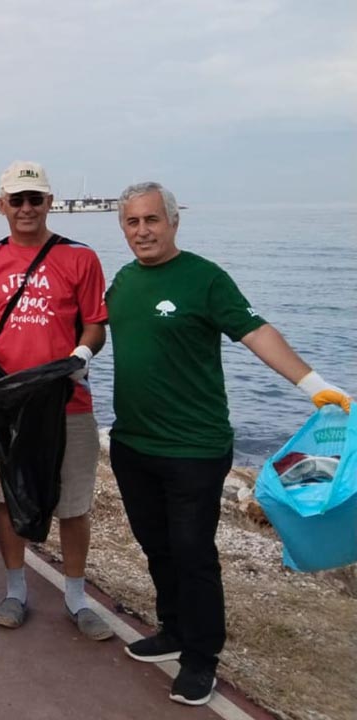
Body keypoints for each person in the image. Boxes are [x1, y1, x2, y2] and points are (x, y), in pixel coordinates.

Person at [106, 182, 352, 706]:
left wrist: (313, 385)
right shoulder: (122, 282)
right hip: (133, 443)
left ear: (173, 222)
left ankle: (201, 658)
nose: (143, 231)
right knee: (157, 546)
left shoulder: (205, 278)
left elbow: (255, 331)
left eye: (153, 220)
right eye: (133, 222)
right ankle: (172, 630)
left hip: (194, 447)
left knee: (193, 552)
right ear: (123, 229)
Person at [0, 161, 113, 640]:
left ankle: (75, 597)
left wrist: (82, 354)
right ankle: (15, 589)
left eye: (36, 199)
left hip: (67, 403)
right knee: (7, 498)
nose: (26, 208)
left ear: (50, 202)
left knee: (72, 503)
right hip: (7, 406)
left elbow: (96, 323)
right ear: (2, 205)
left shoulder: (80, 258)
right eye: (17, 200)